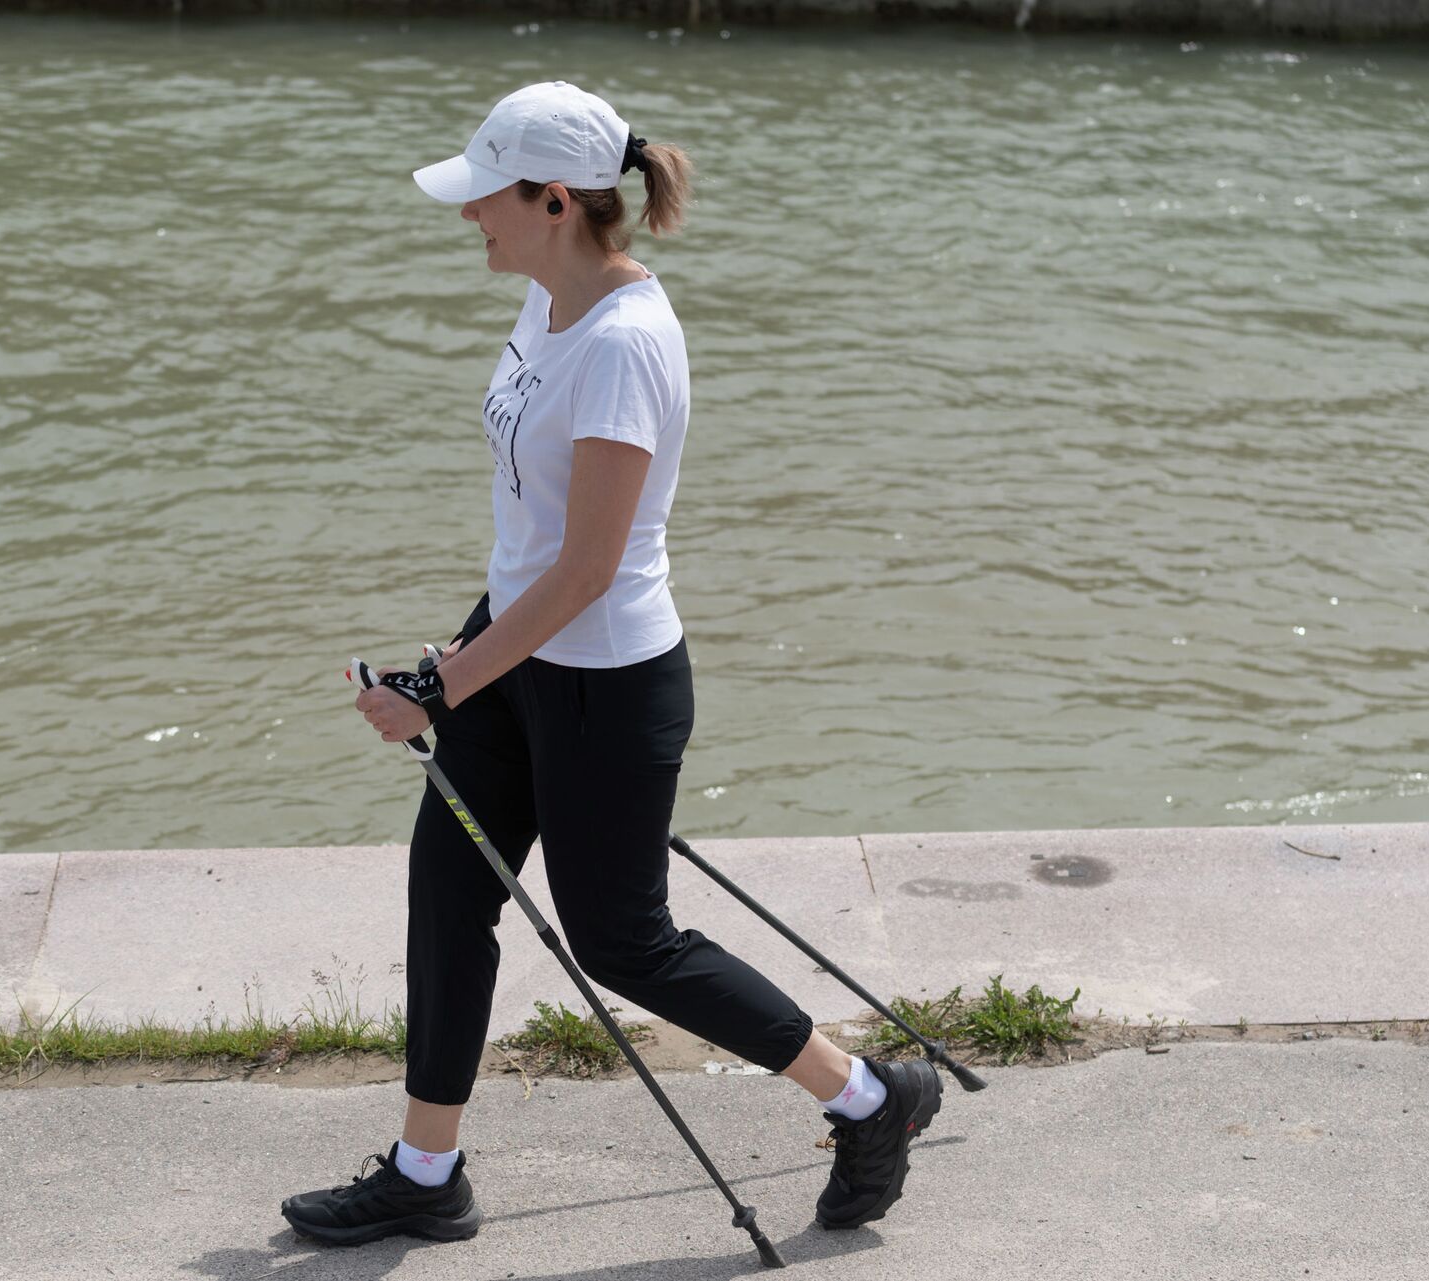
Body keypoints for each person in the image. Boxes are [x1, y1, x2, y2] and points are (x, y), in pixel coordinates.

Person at [281, 80, 939, 1249]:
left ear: (553, 199)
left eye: (485, 198)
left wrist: (444, 685)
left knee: (625, 942)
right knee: (447, 900)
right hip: (515, 655)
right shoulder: (547, 302)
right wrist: (460, 650)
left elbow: (588, 571)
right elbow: (532, 534)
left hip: (604, 685)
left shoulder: (628, 343)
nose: (468, 217)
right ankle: (427, 1174)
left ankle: (867, 1097)